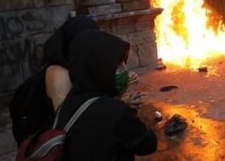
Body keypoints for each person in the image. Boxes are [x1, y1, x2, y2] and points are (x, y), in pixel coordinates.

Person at [57, 30, 157, 160]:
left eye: (124, 63)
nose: (125, 70)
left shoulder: (68, 103)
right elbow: (148, 144)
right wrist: (123, 107)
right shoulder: (116, 112)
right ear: (99, 68)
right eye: (117, 66)